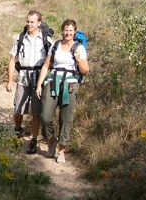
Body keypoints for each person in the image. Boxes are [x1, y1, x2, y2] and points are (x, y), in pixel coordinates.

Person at [36, 19, 90, 164]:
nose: (68, 33)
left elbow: (85, 71)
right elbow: (46, 66)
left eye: (71, 30)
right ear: (62, 31)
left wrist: (78, 60)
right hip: (52, 82)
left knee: (66, 119)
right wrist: (39, 84)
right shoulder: (56, 45)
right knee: (45, 116)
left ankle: (61, 150)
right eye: (66, 30)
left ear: (75, 32)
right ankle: (52, 140)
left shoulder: (79, 48)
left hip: (70, 85)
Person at [7, 10, 52, 154]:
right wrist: (9, 80)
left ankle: (33, 140)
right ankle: (18, 129)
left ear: (39, 23)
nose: (29, 24)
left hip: (40, 79)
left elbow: (52, 60)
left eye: (32, 22)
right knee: (18, 110)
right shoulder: (20, 39)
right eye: (27, 21)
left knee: (36, 113)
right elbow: (12, 60)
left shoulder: (46, 40)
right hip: (23, 78)